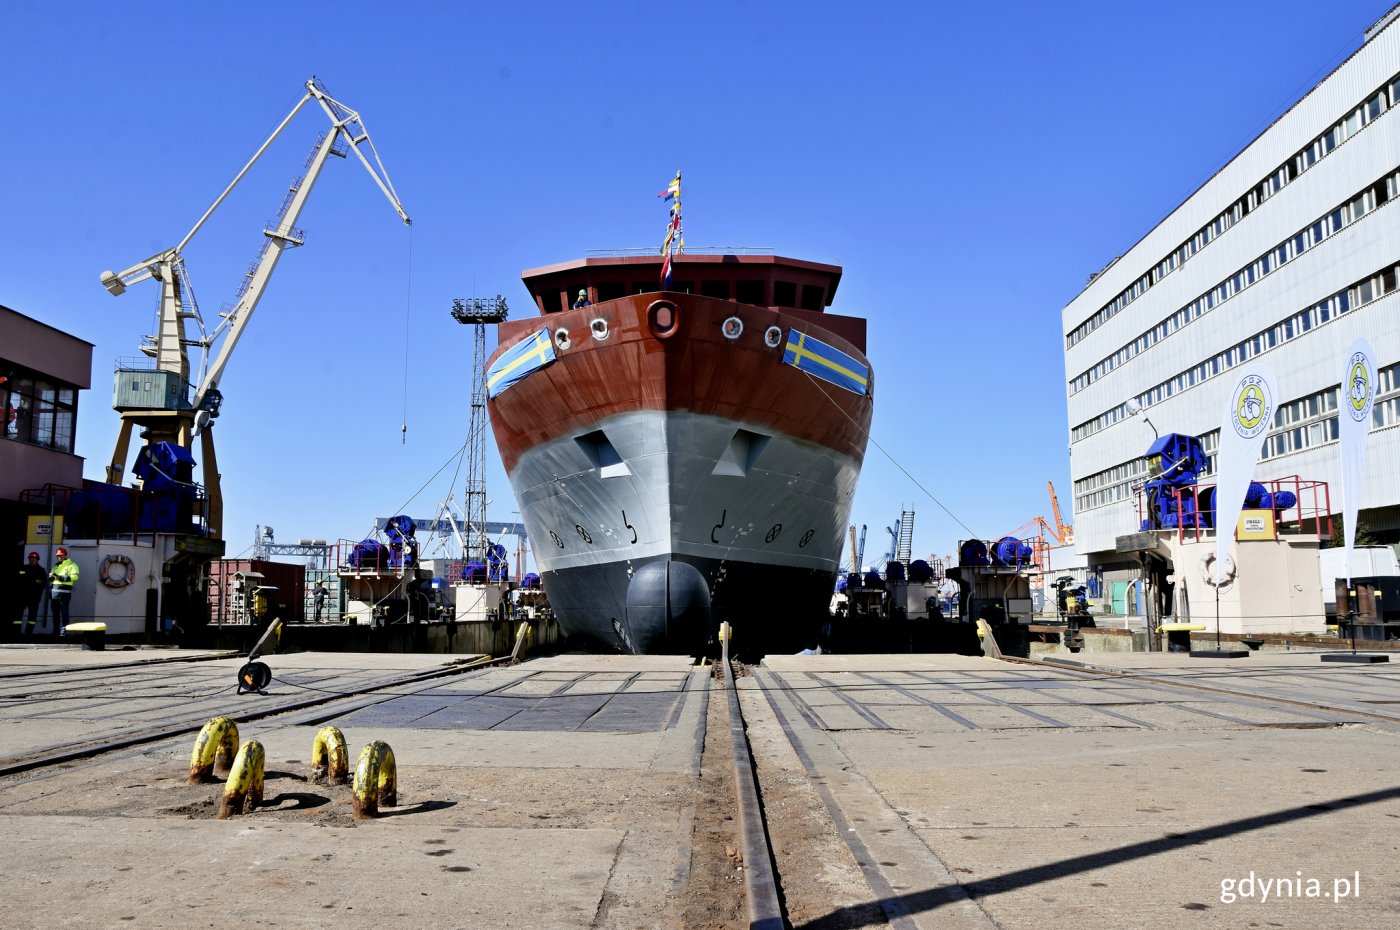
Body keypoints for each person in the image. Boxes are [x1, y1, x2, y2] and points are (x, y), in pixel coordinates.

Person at [48, 546, 79, 636]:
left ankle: (64, 632)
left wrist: (59, 577)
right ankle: (55, 631)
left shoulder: (72, 565)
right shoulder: (56, 565)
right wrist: (51, 577)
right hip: (54, 592)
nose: (59, 557)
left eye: (61, 555)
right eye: (58, 555)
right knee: (55, 614)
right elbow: (53, 579)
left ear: (65, 555)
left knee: (64, 613)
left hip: (64, 593)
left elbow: (75, 577)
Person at [18, 552, 47, 637]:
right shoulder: (23, 568)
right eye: (30, 559)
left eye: (33, 559)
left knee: (32, 617)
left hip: (34, 598)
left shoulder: (41, 571)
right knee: (17, 616)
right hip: (22, 597)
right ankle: (16, 633)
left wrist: (37, 592)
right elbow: (17, 580)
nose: (31, 561)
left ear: (37, 560)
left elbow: (43, 584)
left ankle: (28, 634)